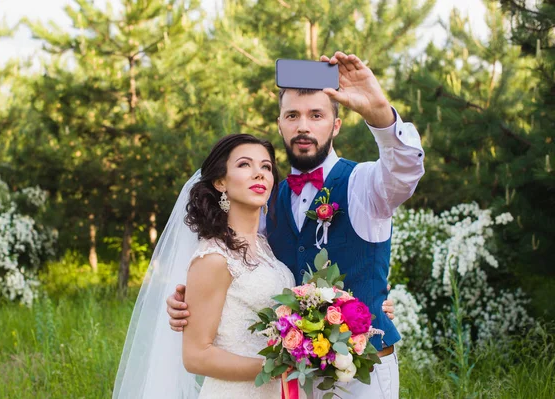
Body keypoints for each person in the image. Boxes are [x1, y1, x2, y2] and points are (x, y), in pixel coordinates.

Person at [168, 51, 425, 398]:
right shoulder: (263, 197)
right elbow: (236, 270)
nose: (303, 125)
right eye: (293, 115)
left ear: (335, 124)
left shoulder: (366, 184)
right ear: (280, 124)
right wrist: (189, 304)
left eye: (316, 115)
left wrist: (379, 112)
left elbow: (406, 169)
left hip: (361, 375)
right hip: (289, 379)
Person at [113, 134, 294, 398]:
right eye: (245, 165)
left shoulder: (266, 248)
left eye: (266, 167)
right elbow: (196, 356)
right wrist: (274, 366)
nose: (260, 174)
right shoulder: (213, 256)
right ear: (220, 182)